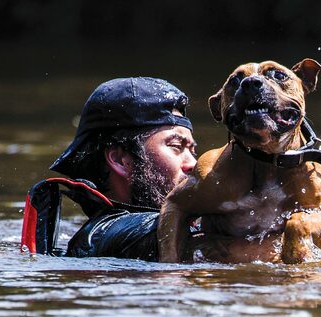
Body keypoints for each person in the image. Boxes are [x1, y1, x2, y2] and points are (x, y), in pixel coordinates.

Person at [22, 77, 197, 261]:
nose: (194, 163)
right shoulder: (103, 235)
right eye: (176, 146)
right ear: (120, 160)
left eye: (193, 150)